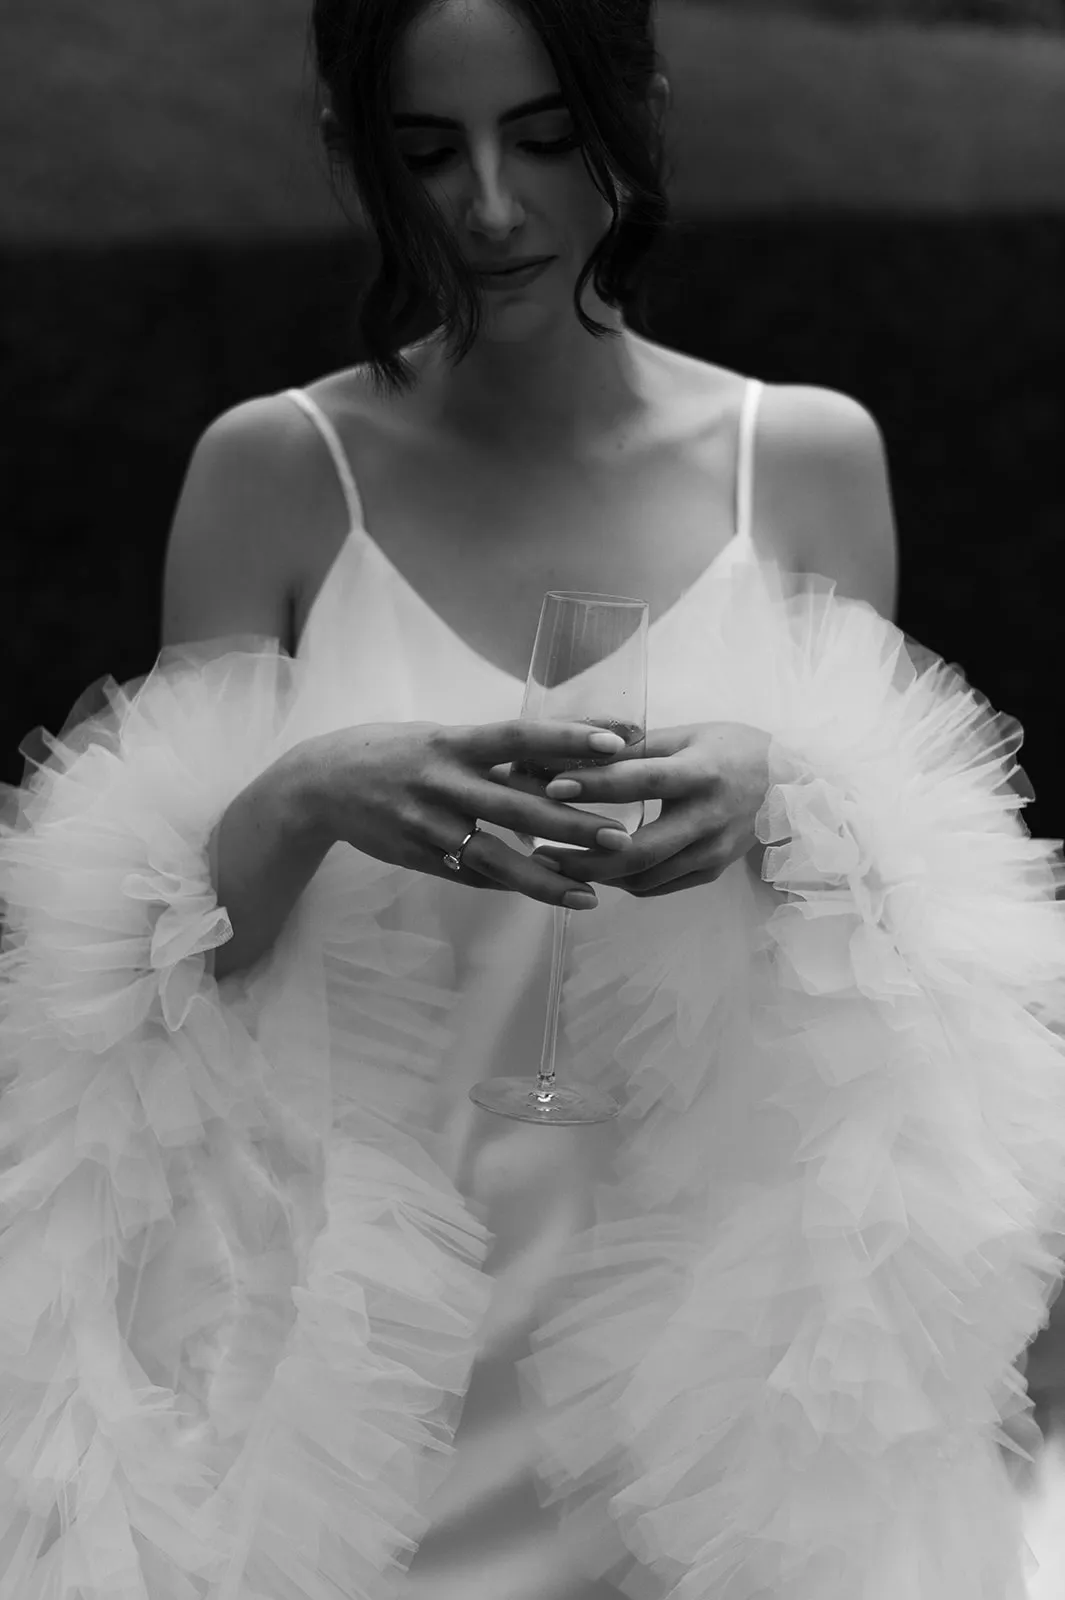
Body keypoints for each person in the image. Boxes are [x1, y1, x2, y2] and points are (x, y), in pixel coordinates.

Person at [2, 0, 1065, 1596]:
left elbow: (915, 981)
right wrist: (308, 791)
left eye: (549, 136)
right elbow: (127, 998)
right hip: (363, 1364)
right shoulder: (275, 473)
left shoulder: (806, 462)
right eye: (428, 150)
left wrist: (790, 790)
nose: (491, 207)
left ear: (640, 108)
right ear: (348, 153)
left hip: (715, 1362)